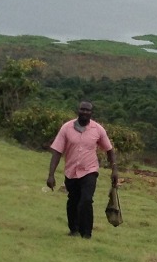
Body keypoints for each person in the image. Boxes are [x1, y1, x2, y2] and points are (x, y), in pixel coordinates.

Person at [46, 100, 118, 238]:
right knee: (73, 200)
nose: (85, 112)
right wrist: (51, 175)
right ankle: (73, 230)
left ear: (91, 113)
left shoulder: (98, 129)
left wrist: (114, 169)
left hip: (89, 170)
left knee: (86, 200)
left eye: (88, 110)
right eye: (82, 109)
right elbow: (57, 152)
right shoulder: (66, 128)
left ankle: (86, 234)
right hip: (71, 171)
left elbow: (109, 150)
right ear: (78, 110)